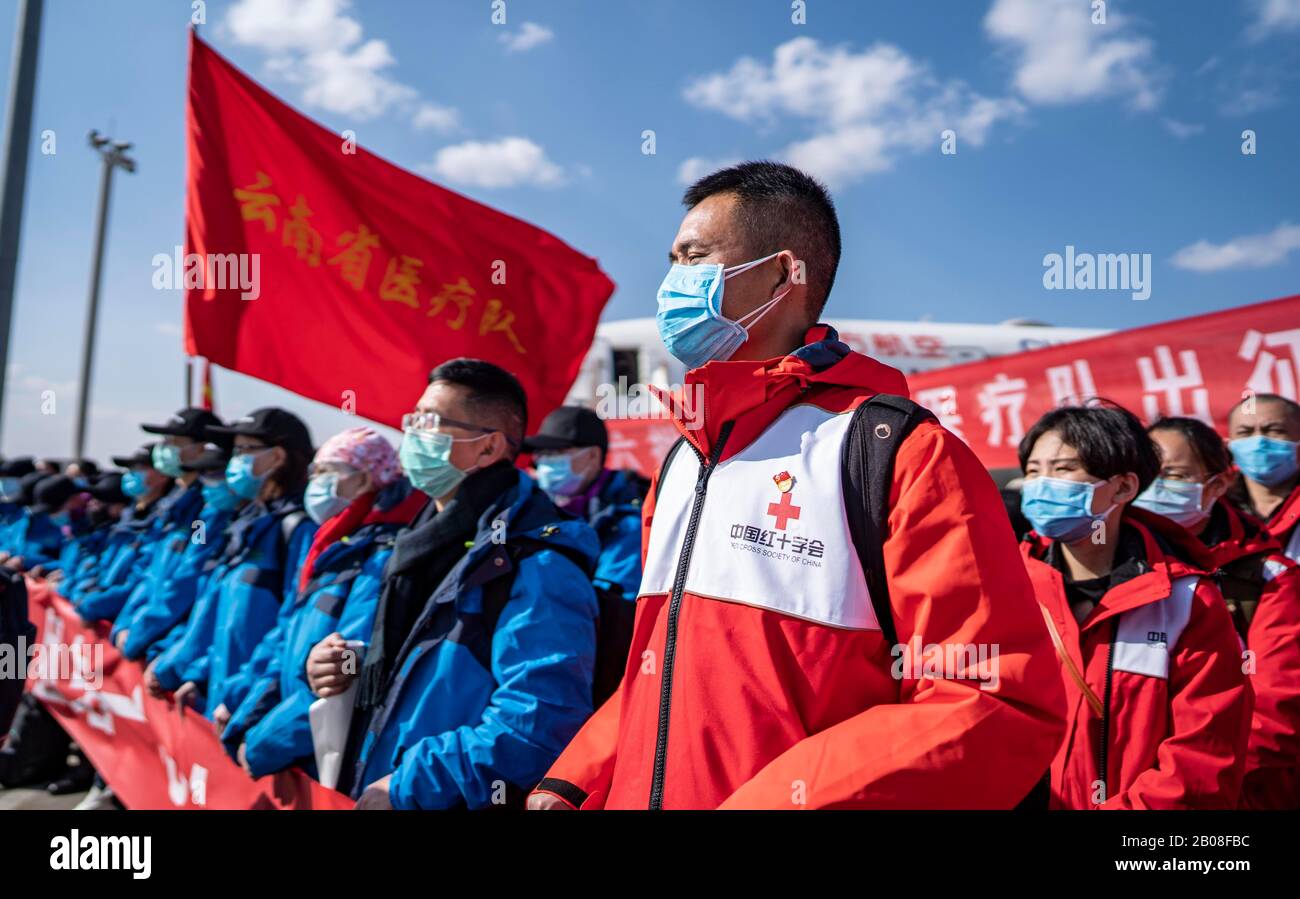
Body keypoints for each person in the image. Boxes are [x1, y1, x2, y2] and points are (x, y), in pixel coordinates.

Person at [529, 161, 1065, 810]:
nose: (673, 282)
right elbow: (659, 666)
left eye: (695, 257)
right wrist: (579, 775)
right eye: (672, 260)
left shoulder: (898, 451)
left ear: (784, 273)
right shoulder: (681, 462)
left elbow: (989, 698)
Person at [305, 359, 600, 810]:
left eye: (431, 422)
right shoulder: (418, 542)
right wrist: (347, 665)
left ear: (488, 448)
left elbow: (541, 721)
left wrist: (409, 786)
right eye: (414, 418)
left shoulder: (534, 560)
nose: (413, 433)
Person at [1017, 403, 1252, 809]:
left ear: (1124, 488)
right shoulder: (1007, 586)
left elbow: (1202, 755)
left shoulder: (1185, 600)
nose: (1042, 486)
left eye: (1063, 470)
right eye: (1034, 471)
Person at [221, 427, 423, 778]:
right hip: (287, 751)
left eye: (329, 472)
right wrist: (242, 715)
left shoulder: (381, 560)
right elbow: (282, 642)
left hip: (322, 760)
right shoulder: (331, 547)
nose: (317, 482)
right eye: (315, 472)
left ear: (363, 479)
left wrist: (262, 744)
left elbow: (343, 675)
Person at [1134, 415, 1300, 809]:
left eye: (1172, 475)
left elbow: (1275, 714)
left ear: (1218, 484)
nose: (1156, 489)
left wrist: (1196, 786)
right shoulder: (1110, 571)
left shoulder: (1269, 576)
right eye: (1148, 475)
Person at [154, 408, 317, 717]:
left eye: (245, 450)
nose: (234, 461)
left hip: (246, 711)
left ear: (278, 457)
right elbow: (222, 621)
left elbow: (289, 629)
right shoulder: (249, 523)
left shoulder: (297, 529)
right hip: (221, 699)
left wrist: (241, 696)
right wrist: (201, 676)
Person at [523, 405, 646, 703]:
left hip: (597, 672)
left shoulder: (629, 519)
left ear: (591, 456)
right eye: (541, 456)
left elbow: (611, 607)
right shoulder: (537, 506)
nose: (544, 465)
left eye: (557, 454)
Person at [108, 408, 228, 653]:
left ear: (203, 449)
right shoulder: (172, 505)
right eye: (165, 441)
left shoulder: (205, 512)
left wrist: (142, 636)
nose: (164, 449)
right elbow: (150, 575)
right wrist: (126, 624)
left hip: (164, 646)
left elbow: (188, 580)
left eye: (175, 442)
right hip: (147, 637)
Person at [120, 439, 243, 662]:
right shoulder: (200, 517)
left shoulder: (205, 517)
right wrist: (131, 628)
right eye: (204, 474)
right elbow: (160, 576)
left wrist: (161, 651)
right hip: (169, 646)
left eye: (215, 474)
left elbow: (189, 582)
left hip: (194, 662)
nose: (208, 483)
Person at [67, 445, 170, 622]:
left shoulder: (173, 521)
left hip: (127, 624)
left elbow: (143, 581)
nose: (131, 474)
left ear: (162, 474)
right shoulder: (128, 519)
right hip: (109, 615)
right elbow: (101, 568)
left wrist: (93, 606)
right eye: (130, 469)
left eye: (139, 469)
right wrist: (82, 593)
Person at [1226, 393, 1300, 562]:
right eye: (1245, 432)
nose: (1258, 442)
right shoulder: (1214, 507)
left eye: (1274, 431)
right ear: (1229, 443)